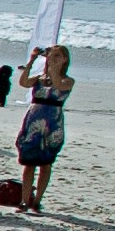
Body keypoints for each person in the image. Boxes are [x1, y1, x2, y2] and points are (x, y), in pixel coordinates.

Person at [15, 45, 73, 211]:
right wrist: (32, 60)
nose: (52, 59)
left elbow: (58, 84)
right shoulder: (39, 79)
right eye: (51, 56)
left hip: (52, 122)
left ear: (65, 60)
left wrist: (53, 67)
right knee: (29, 163)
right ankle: (24, 200)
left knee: (46, 163)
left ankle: (37, 200)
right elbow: (24, 82)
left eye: (57, 57)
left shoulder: (68, 81)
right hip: (34, 120)